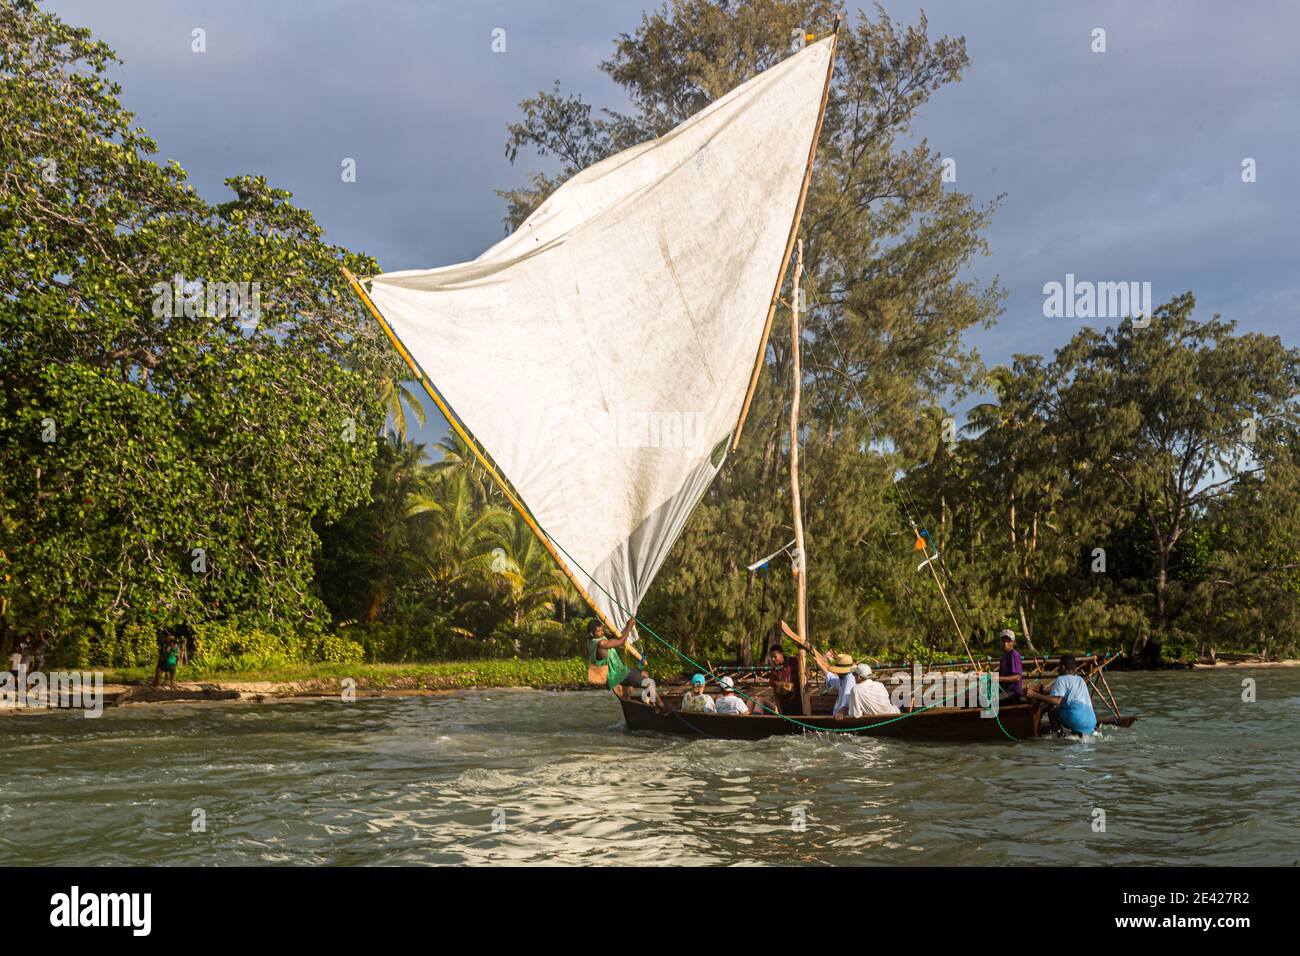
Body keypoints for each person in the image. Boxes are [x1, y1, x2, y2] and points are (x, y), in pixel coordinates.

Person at [1025, 653, 1097, 736]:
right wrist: (1043, 690)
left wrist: (1034, 694)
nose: (1058, 669)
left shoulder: (1061, 679)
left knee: (1052, 711)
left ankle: (1059, 735)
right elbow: (1067, 691)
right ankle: (1073, 732)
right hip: (1091, 723)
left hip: (1077, 720)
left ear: (1062, 667)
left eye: (1059, 667)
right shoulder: (1080, 680)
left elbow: (1057, 701)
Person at [587, 618, 648, 697]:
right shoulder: (601, 643)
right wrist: (629, 626)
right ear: (592, 633)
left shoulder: (591, 641)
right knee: (648, 683)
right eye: (599, 631)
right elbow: (621, 642)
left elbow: (610, 638)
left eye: (602, 630)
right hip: (617, 675)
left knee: (644, 674)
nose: (602, 633)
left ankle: (630, 701)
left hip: (618, 672)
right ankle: (662, 706)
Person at [836, 663, 900, 718]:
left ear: (858, 676)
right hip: (894, 713)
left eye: (854, 674)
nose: (853, 677)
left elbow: (855, 714)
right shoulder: (880, 685)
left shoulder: (855, 690)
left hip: (876, 719)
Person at [763, 646, 800, 714]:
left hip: (799, 701)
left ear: (781, 654)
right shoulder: (774, 670)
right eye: (771, 657)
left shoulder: (793, 661)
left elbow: (805, 669)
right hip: (785, 704)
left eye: (775, 656)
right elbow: (773, 688)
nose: (773, 659)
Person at [994, 629, 1024, 702]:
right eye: (1003, 641)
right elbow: (1001, 673)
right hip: (1003, 690)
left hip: (1012, 693)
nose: (1005, 643)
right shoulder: (1004, 656)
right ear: (1000, 642)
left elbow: (1017, 677)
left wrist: (998, 678)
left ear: (1013, 643)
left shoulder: (1014, 655)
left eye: (1008, 641)